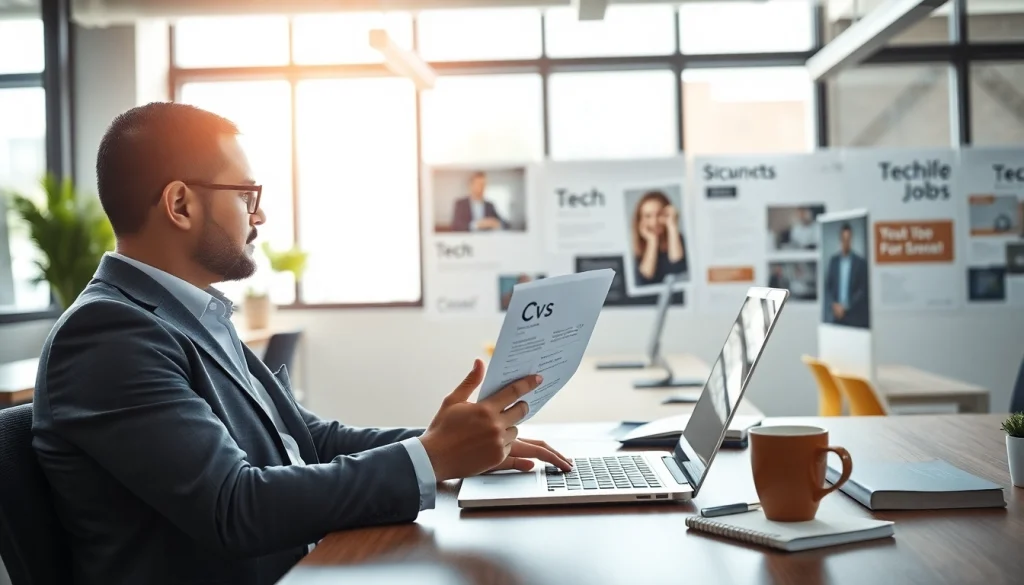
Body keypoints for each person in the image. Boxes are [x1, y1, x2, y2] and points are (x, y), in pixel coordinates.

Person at [31, 102, 572, 585]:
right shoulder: (107, 335)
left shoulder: (189, 312)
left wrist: (457, 445)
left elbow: (307, 439)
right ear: (180, 204)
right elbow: (234, 506)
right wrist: (429, 457)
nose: (259, 215)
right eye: (246, 195)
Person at [631, 190, 687, 286]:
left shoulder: (679, 239)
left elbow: (678, 268)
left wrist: (672, 226)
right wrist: (652, 241)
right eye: (648, 216)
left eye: (659, 214)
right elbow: (645, 279)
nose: (654, 222)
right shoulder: (637, 248)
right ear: (640, 220)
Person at [823, 222, 869, 328]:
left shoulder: (860, 263)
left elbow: (862, 290)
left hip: (854, 315)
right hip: (836, 315)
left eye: (848, 239)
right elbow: (828, 286)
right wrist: (834, 305)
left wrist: (846, 307)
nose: (846, 242)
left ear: (851, 240)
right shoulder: (833, 262)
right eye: (844, 239)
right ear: (840, 240)